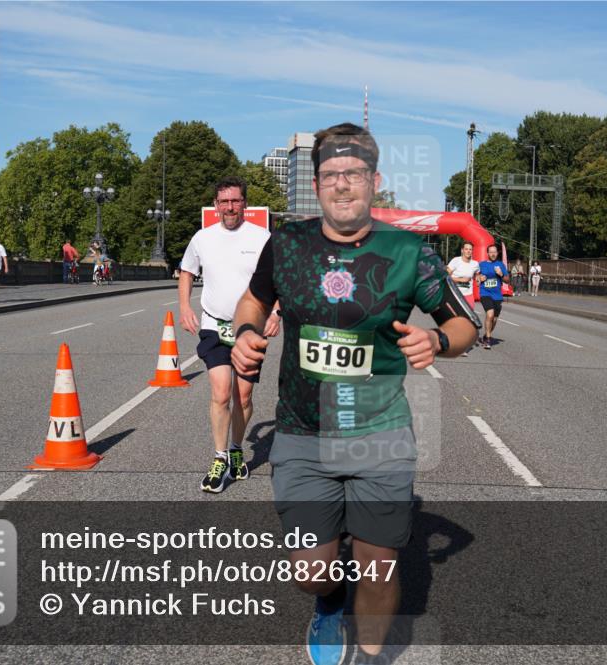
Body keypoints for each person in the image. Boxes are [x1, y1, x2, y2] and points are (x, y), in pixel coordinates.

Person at [231, 122, 478, 665]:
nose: (342, 184)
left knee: (378, 565)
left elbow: (465, 324)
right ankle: (329, 600)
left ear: (375, 181)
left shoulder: (410, 252)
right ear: (316, 184)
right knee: (310, 573)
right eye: (330, 174)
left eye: (355, 173)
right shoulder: (287, 244)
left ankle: (368, 656)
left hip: (379, 433)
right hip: (302, 431)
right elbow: (253, 301)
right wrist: (245, 332)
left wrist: (437, 340)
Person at [179, 175, 279, 494]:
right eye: (224, 202)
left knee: (243, 397)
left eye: (235, 200)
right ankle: (220, 457)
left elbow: (280, 278)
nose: (230, 207)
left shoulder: (262, 237)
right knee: (221, 393)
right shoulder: (203, 238)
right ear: (216, 205)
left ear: (244, 203)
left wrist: (276, 312)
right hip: (214, 324)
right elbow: (187, 271)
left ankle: (236, 447)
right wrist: (184, 306)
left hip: (250, 329)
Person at [446, 241, 479, 356]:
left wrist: (479, 278)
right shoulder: (456, 261)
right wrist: (460, 280)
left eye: (470, 249)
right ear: (462, 250)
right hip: (455, 294)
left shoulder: (475, 264)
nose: (468, 251)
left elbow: (477, 274)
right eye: (466, 249)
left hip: (469, 295)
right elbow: (445, 275)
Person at [476, 244, 509, 349]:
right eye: (491, 252)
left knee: (494, 319)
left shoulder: (500, 265)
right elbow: (476, 277)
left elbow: (507, 280)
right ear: (487, 253)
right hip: (485, 293)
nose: (493, 254)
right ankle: (488, 340)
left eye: (494, 252)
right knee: (490, 314)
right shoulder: (482, 264)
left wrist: (501, 274)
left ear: (497, 253)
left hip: (497, 295)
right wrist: (479, 278)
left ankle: (486, 336)